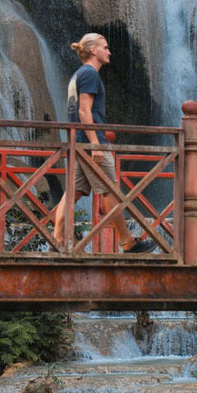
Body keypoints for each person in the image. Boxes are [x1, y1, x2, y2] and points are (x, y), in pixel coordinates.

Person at [52, 33, 156, 253]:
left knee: (72, 193)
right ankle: (127, 243)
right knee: (110, 191)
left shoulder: (77, 75)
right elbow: (84, 110)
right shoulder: (90, 74)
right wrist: (95, 143)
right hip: (91, 143)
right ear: (93, 51)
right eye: (105, 48)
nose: (109, 52)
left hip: (78, 142)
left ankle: (57, 240)